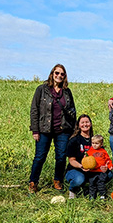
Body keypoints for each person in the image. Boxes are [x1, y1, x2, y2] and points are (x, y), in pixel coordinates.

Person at [29, 64, 76, 193]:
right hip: (44, 129)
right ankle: (33, 182)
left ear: (65, 76)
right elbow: (34, 110)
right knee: (40, 156)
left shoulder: (67, 92)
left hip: (62, 130)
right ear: (52, 74)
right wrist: (35, 130)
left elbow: (73, 111)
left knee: (61, 157)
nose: (59, 76)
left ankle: (58, 180)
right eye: (57, 73)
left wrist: (73, 130)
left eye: (62, 74)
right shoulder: (42, 89)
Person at [65, 114, 111, 199]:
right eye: (82, 123)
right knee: (79, 179)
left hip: (94, 169)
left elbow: (102, 156)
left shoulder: (95, 140)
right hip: (76, 169)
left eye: (87, 122)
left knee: (110, 174)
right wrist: (81, 166)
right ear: (78, 125)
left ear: (90, 124)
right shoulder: (74, 140)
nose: (85, 124)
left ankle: (94, 189)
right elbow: (71, 160)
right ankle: (73, 189)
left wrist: (105, 167)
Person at [86, 135, 113, 199]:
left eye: (96, 143)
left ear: (101, 144)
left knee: (101, 183)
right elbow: (86, 160)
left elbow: (108, 160)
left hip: (101, 171)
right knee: (92, 184)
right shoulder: (90, 151)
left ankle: (102, 195)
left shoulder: (103, 151)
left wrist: (110, 166)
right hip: (92, 171)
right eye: (93, 143)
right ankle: (92, 195)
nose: (94, 145)